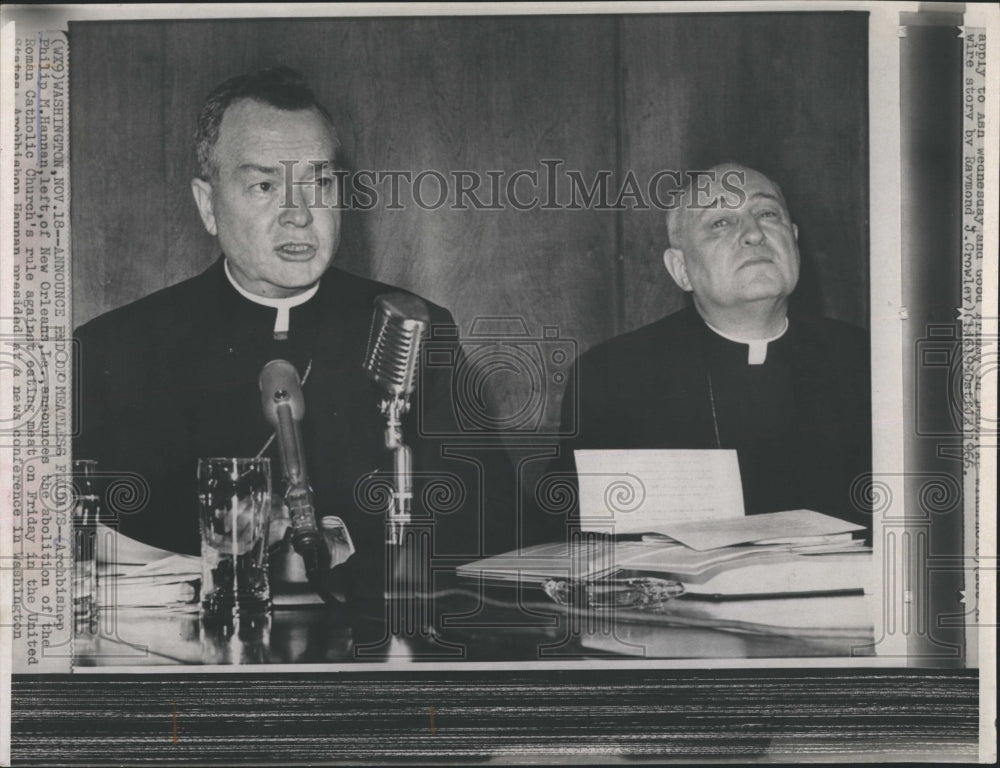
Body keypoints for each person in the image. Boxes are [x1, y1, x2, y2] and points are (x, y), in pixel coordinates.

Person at [73, 68, 474, 603]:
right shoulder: (115, 348)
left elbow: (482, 524)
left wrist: (346, 542)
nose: (299, 215)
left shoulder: (415, 327)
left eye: (319, 183)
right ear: (208, 205)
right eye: (265, 186)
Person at [556, 163, 872, 530]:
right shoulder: (614, 377)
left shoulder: (868, 361)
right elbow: (581, 548)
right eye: (720, 222)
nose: (754, 233)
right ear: (681, 269)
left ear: (794, 241)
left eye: (767, 213)